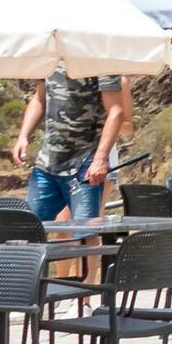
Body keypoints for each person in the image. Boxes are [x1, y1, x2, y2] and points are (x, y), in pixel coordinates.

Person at [17, 67, 127, 228]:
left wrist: (100, 159)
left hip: (84, 164)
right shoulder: (51, 59)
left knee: (86, 232)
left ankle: (87, 254)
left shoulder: (102, 60)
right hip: (47, 163)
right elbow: (39, 99)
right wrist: (23, 136)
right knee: (29, 229)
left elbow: (116, 112)